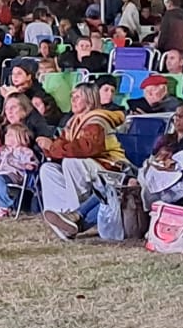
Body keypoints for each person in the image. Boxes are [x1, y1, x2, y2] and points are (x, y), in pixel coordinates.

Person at [39, 82, 127, 240]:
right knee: (48, 169)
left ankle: (74, 217)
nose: (72, 100)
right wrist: (52, 147)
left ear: (90, 100)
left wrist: (52, 146)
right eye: (72, 96)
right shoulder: (73, 121)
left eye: (77, 97)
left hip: (109, 166)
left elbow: (85, 149)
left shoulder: (97, 120)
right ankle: (60, 217)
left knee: (71, 162)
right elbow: (61, 146)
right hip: (88, 167)